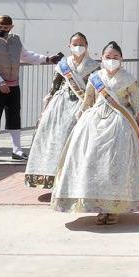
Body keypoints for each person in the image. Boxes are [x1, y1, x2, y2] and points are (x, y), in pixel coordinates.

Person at [51, 42, 139, 225]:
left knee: (115, 165)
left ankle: (114, 208)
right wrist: (80, 117)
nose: (112, 60)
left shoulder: (129, 79)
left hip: (120, 124)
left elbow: (137, 105)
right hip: (93, 122)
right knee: (92, 163)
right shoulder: (95, 77)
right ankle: (99, 207)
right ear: (102, 58)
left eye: (116, 57)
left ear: (121, 59)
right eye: (108, 57)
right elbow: (88, 100)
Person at [0, 15, 63, 162]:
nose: (3, 30)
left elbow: (26, 55)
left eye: (6, 28)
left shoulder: (15, 40)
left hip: (13, 83)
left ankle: (17, 150)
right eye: (0, 27)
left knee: (14, 115)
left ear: (11, 27)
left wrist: (46, 59)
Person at [25, 33, 100, 190]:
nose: (78, 47)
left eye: (81, 44)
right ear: (69, 46)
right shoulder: (63, 65)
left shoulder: (94, 66)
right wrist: (47, 106)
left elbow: (97, 90)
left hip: (83, 104)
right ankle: (51, 177)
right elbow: (54, 87)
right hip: (60, 104)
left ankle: (76, 178)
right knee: (52, 135)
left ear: (87, 45)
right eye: (75, 44)